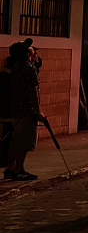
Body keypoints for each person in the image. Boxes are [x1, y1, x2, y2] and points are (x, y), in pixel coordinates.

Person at [4, 39, 42, 181]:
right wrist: (38, 112)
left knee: (15, 141)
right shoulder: (28, 68)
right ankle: (19, 169)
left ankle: (10, 168)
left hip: (16, 109)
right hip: (27, 110)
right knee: (24, 142)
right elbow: (33, 92)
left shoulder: (15, 67)